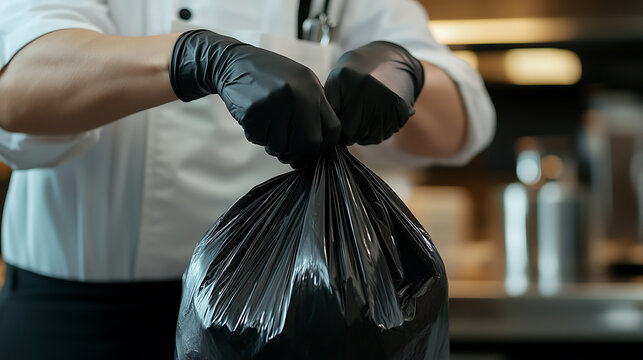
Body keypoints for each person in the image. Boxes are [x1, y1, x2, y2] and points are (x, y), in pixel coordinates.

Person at [0, 0, 495, 359]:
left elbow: (463, 120)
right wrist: (194, 59)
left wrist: (404, 71)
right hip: (82, 324)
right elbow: (19, 78)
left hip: (282, 325)